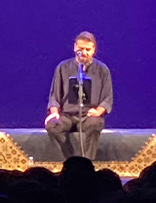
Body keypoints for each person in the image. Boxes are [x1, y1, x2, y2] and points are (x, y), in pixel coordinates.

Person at [45, 31, 113, 161]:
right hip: (67, 115)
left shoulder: (102, 70)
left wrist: (98, 111)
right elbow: (54, 95)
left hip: (88, 116)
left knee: (95, 124)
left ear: (94, 50)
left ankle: (87, 163)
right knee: (52, 125)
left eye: (88, 49)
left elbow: (107, 98)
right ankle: (70, 162)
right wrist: (54, 112)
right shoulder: (62, 67)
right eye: (81, 49)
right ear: (75, 47)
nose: (84, 52)